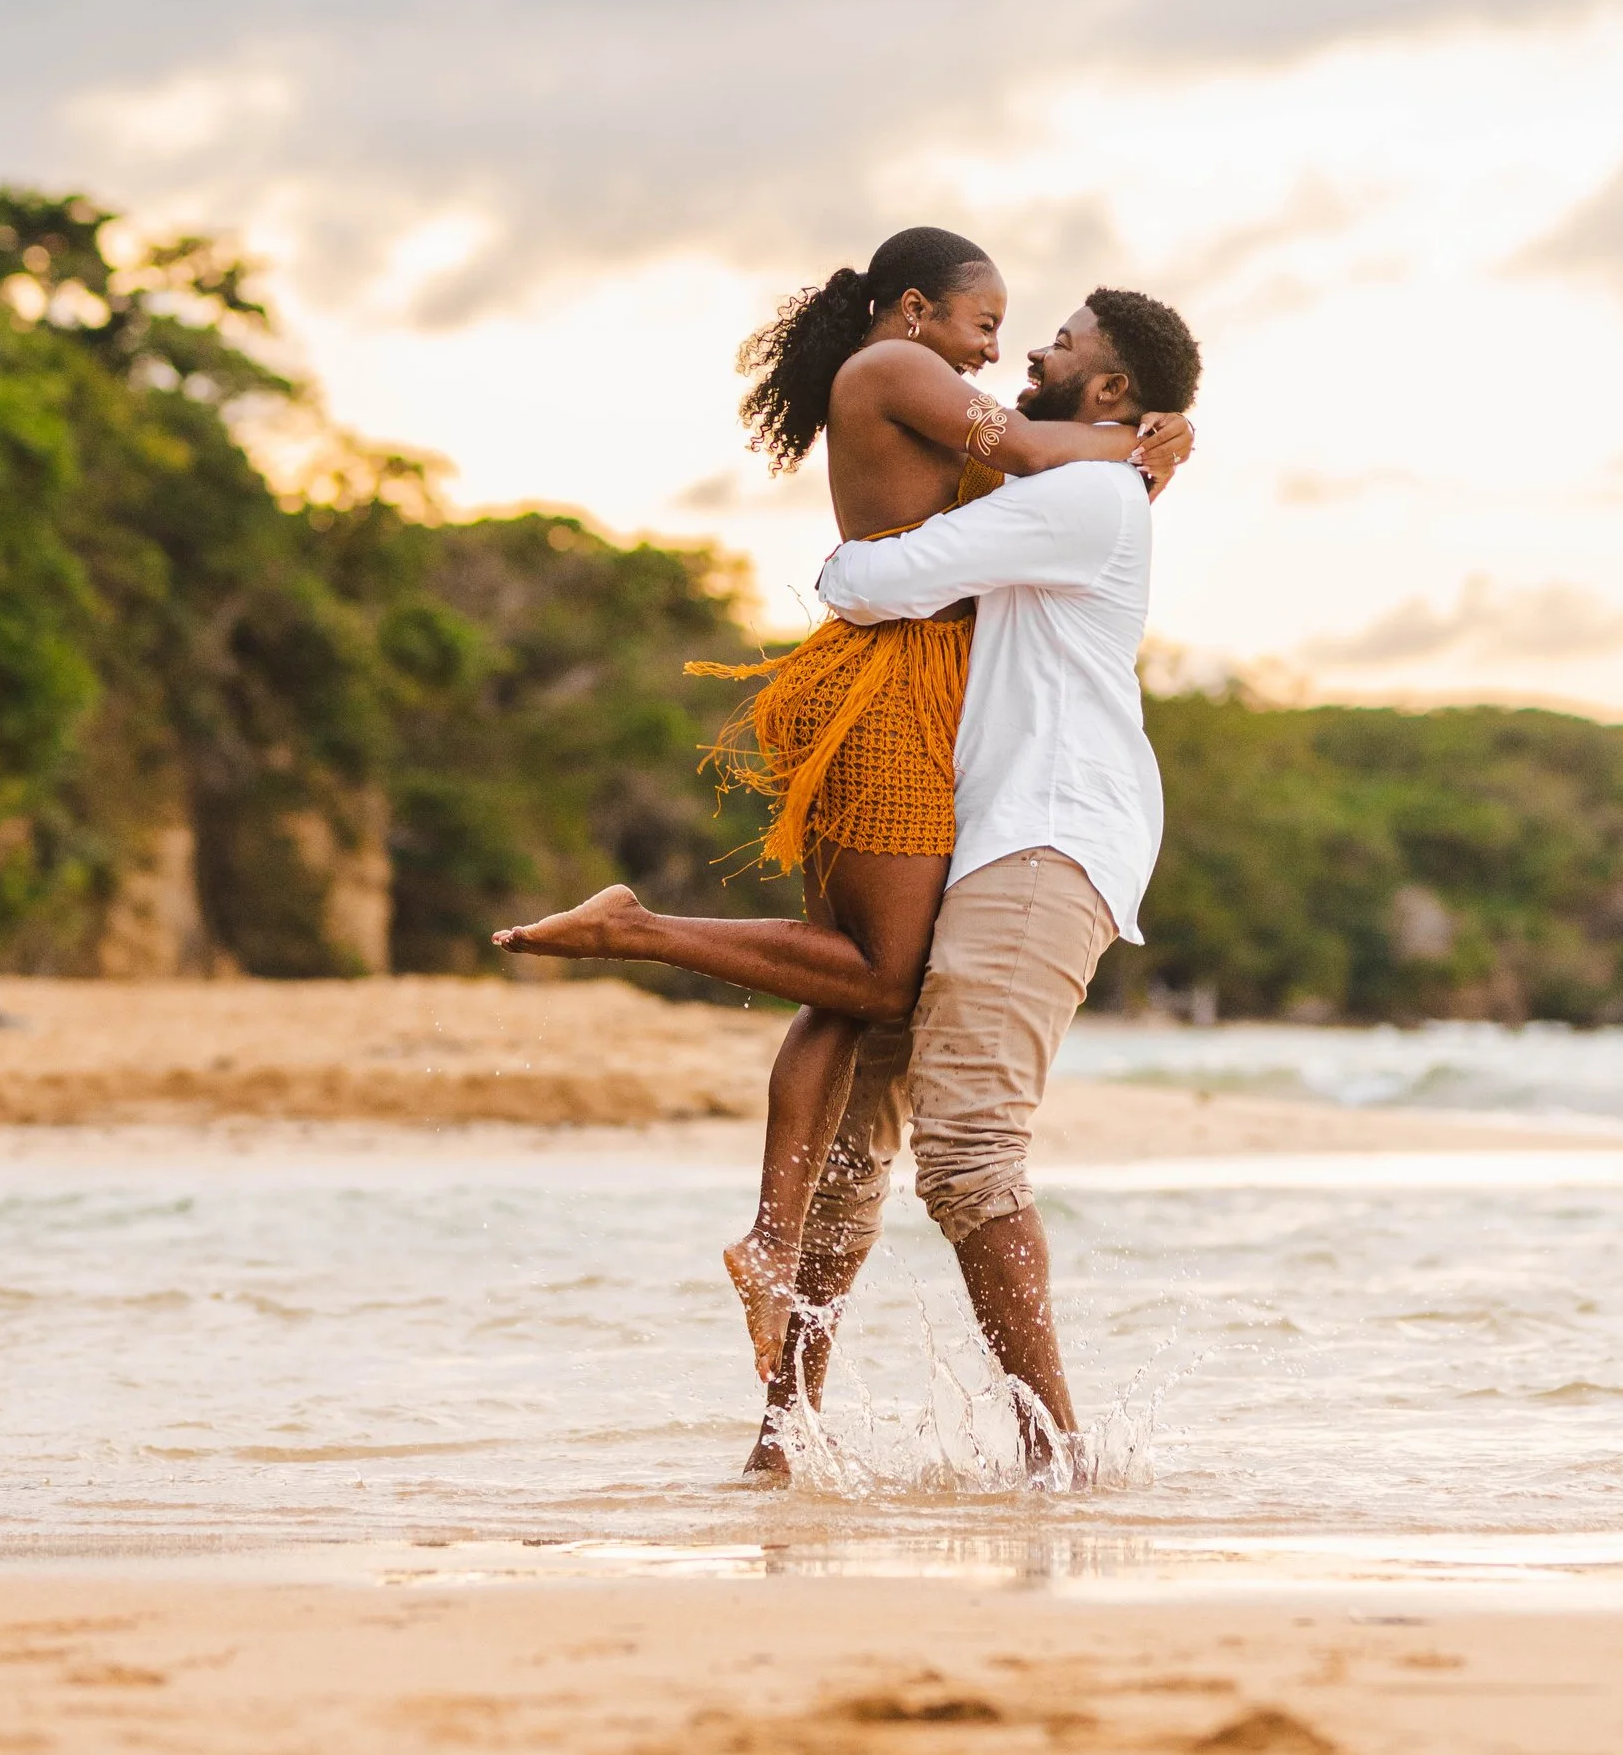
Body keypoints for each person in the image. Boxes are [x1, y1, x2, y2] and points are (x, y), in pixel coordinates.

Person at [491, 227, 1189, 1371]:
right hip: (892, 688)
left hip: (926, 705)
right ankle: (634, 928)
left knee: (855, 992)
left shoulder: (985, 422)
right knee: (876, 976)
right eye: (987, 322)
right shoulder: (897, 372)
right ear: (914, 305)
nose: (1001, 350)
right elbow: (990, 476)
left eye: (1034, 336)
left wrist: (1149, 449)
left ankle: (777, 1303)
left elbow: (1043, 491)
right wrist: (1138, 444)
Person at [746, 284, 1201, 1482]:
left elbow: (866, 580)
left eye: (1060, 345)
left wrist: (1121, 454)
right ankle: (782, 1434)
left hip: (1049, 840)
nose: (1029, 354)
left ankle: (1056, 1453)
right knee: (860, 1143)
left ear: (1107, 390)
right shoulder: (1082, 476)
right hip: (990, 833)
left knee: (967, 1154)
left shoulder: (1087, 492)